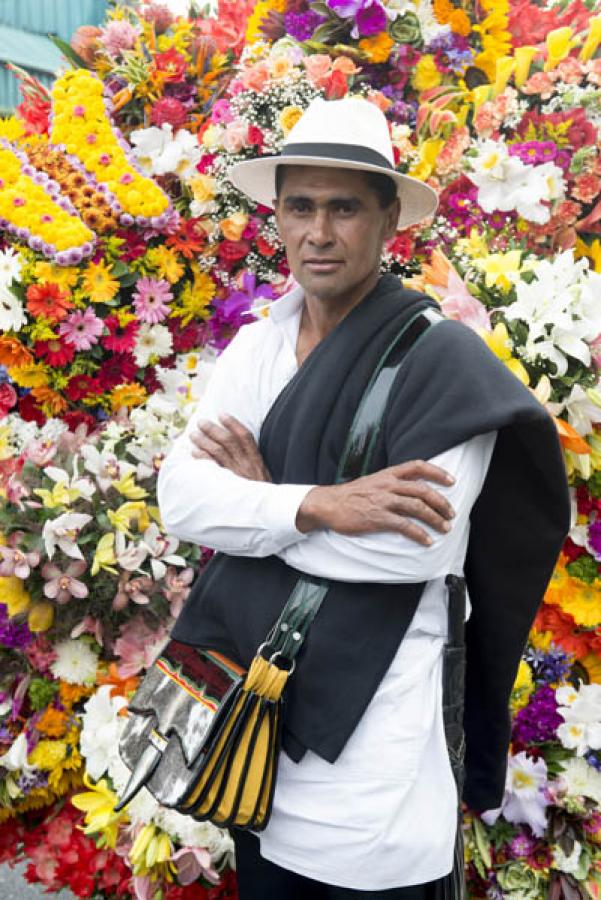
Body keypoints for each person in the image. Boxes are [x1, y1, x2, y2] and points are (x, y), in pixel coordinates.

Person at [157, 97, 570, 899]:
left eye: (344, 208)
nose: (319, 231)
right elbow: (183, 499)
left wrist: (260, 502)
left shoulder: (444, 363)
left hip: (372, 780)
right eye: (300, 206)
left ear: (389, 226)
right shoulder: (259, 343)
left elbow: (407, 547)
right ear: (274, 218)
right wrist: (316, 505)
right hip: (253, 750)